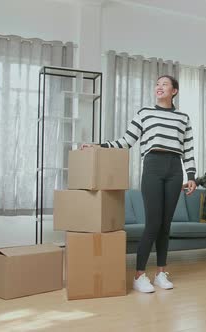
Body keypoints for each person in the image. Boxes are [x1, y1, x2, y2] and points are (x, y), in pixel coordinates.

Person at [81, 75, 197, 293]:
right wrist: (99, 145)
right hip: (153, 165)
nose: (159, 87)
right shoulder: (145, 113)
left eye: (164, 84)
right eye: (157, 84)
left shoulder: (183, 118)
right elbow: (126, 141)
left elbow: (188, 149)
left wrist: (191, 175)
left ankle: (161, 272)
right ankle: (139, 275)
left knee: (165, 225)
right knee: (153, 223)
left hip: (175, 169)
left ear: (174, 91)